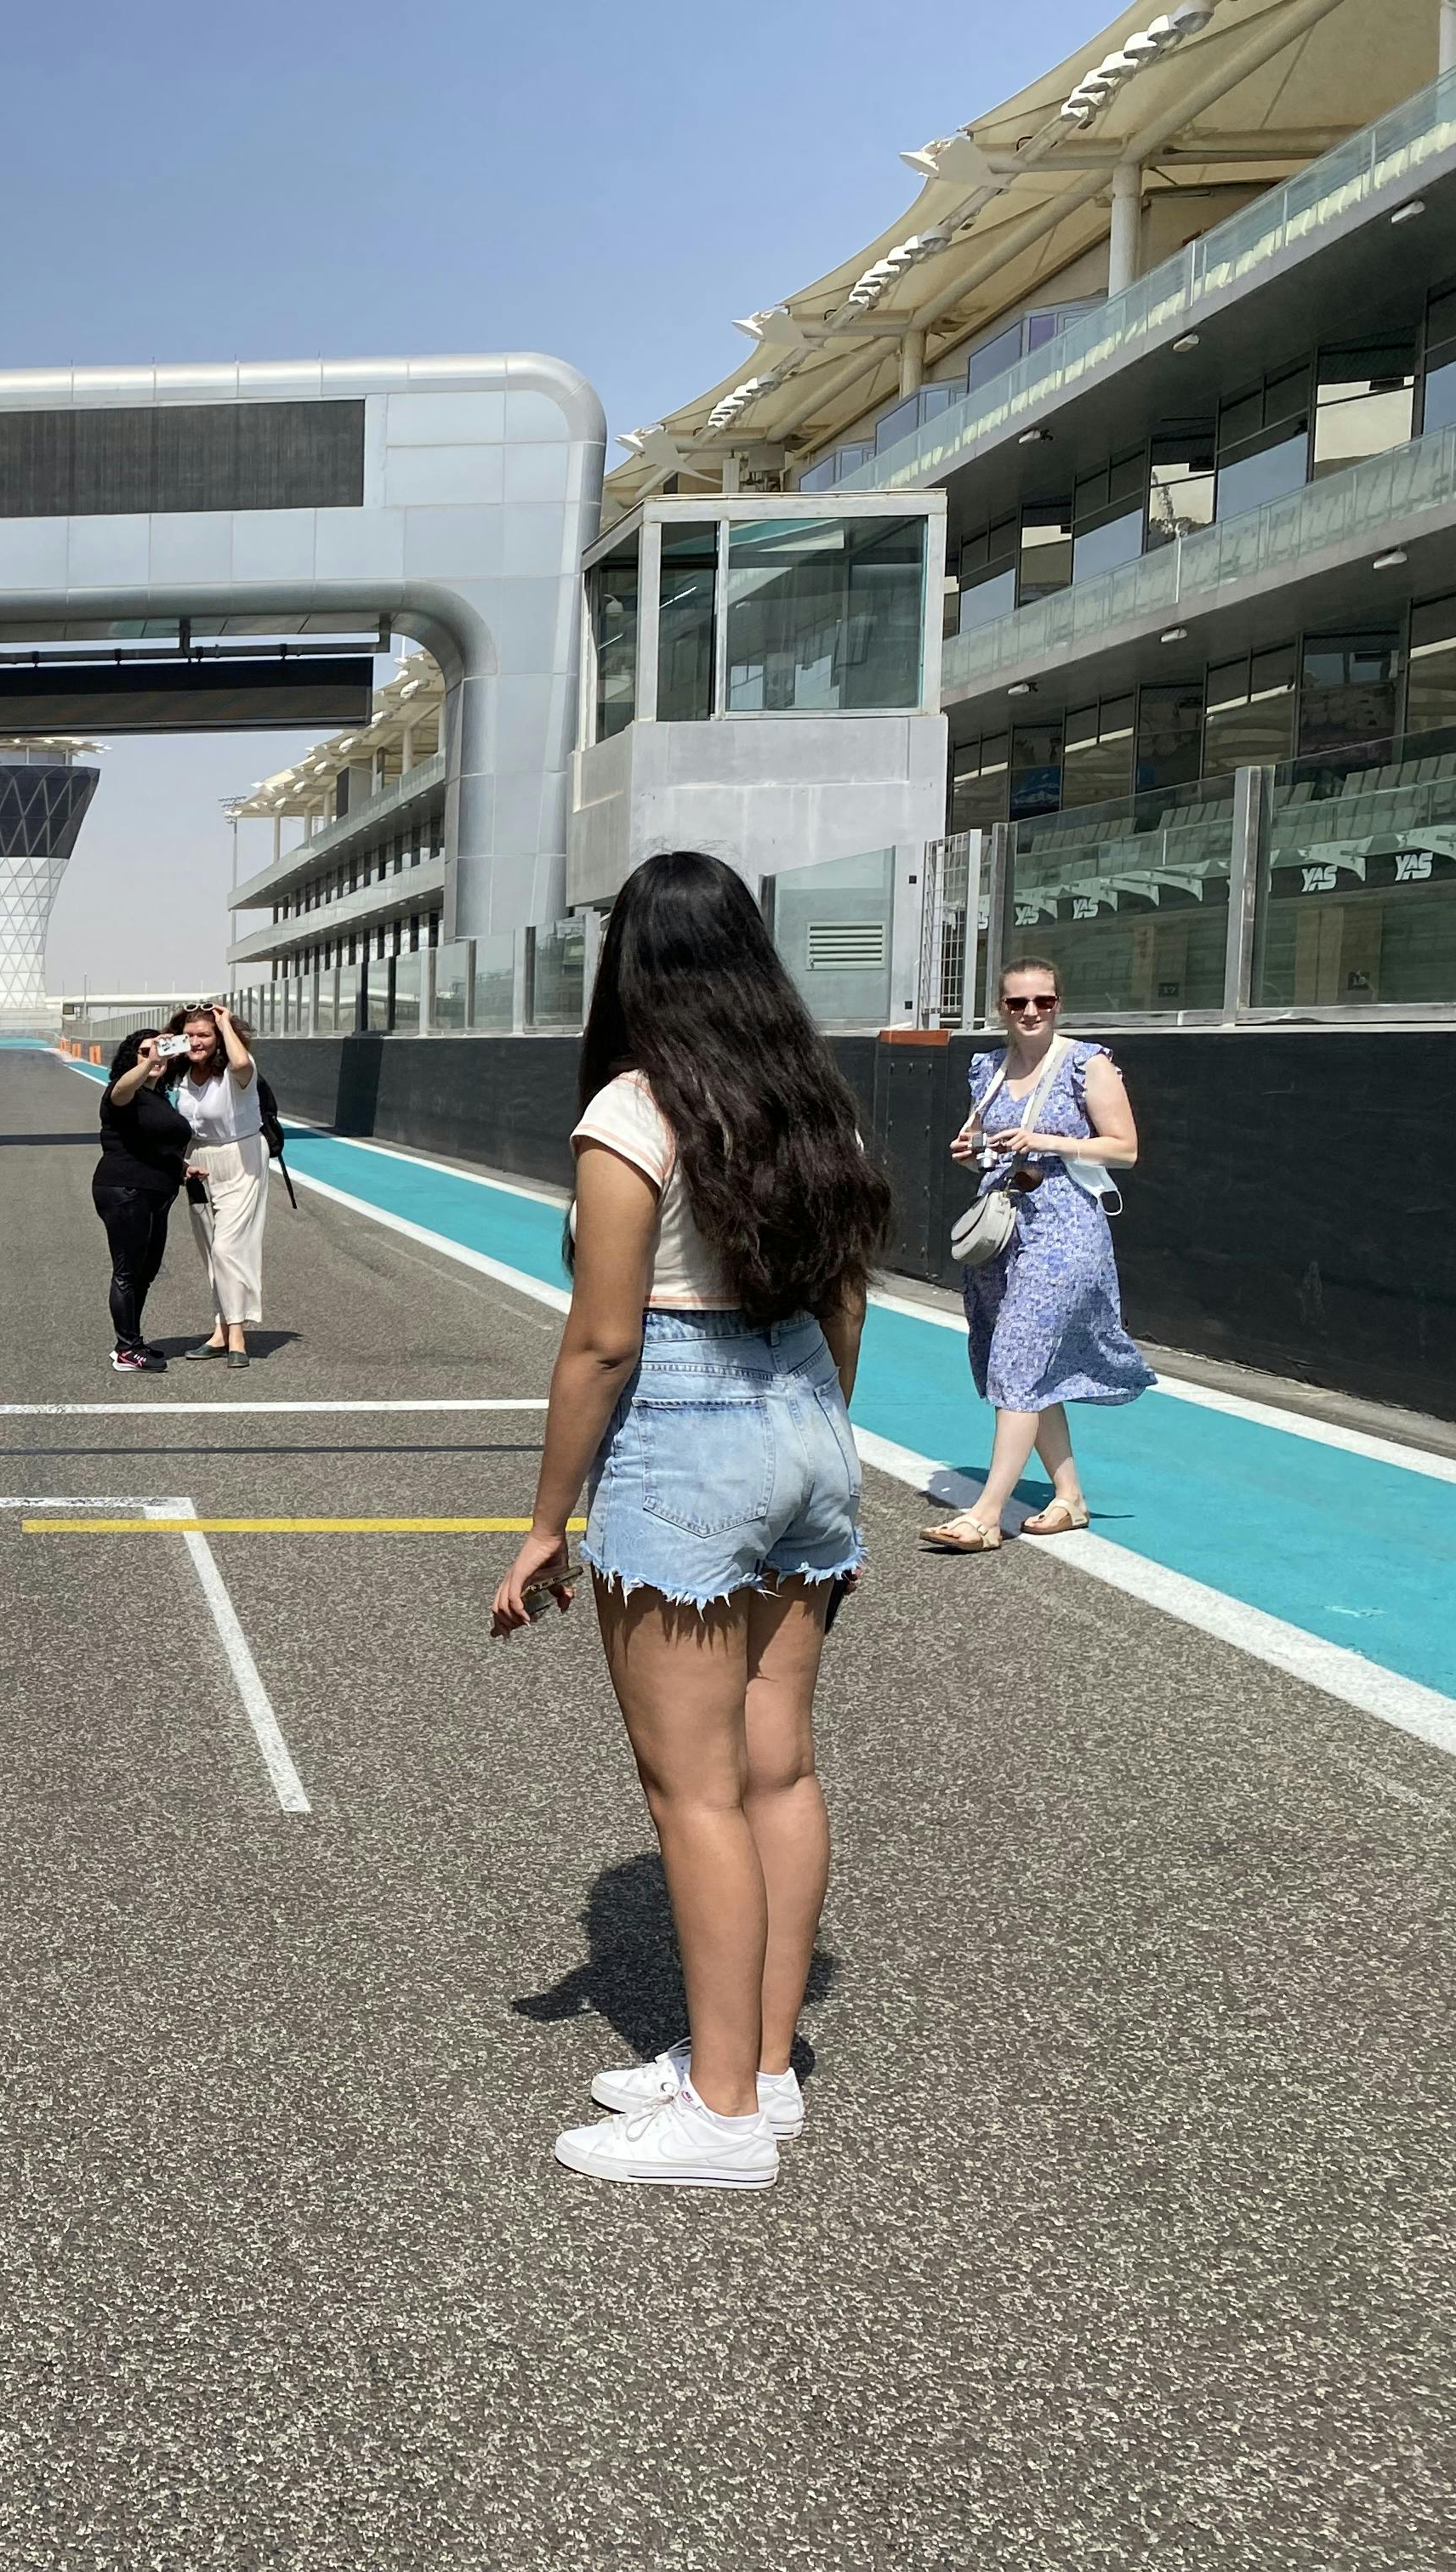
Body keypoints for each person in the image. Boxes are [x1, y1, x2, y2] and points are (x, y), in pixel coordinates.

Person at [487, 851, 887, 2192]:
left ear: (632, 965)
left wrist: (546, 1521)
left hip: (688, 1431)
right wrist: (813, 1442)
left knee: (693, 1790)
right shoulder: (812, 1100)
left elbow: (604, 1341)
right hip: (808, 1418)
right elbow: (845, 1303)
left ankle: (719, 2118)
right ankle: (760, 2071)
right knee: (780, 1770)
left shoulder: (634, 1108)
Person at [925, 957, 1152, 1551]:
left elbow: (1125, 1148)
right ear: (1000, 1008)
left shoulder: (1086, 1064)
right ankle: (1070, 1498)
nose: (1031, 1012)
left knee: (1018, 1359)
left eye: (1043, 1002)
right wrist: (971, 1152)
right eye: (1018, 1003)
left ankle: (986, 1514)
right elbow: (982, 1143)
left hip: (1064, 1232)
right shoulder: (989, 1069)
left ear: (1058, 1004)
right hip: (1006, 1231)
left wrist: (1047, 1141)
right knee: (1029, 1366)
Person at [167, 1002, 268, 1368]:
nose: (196, 1042)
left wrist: (225, 1023)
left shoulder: (237, 1071)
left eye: (204, 1035)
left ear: (219, 1038)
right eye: (189, 1036)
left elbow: (240, 1063)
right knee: (211, 1250)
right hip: (198, 1162)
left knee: (228, 1248)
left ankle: (237, 1334)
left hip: (241, 1159)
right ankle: (220, 1330)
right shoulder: (178, 1075)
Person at [94, 1021, 197, 1371]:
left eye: (161, 1051)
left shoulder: (158, 1099)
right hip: (125, 1189)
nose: (155, 1057)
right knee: (127, 1271)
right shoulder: (124, 1092)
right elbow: (120, 1091)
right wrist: (149, 1060)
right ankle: (126, 1349)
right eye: (144, 1051)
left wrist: (183, 1168)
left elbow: (157, 1145)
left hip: (156, 1192)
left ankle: (132, 1342)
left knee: (146, 1272)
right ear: (131, 1058)